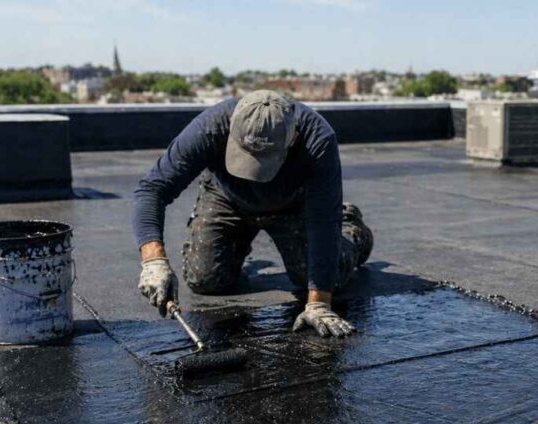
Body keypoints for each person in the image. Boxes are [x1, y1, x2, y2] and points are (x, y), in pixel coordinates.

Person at [132, 90, 373, 338]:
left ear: (292, 139)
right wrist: (153, 261)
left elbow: (323, 221)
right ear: (231, 128)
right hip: (226, 199)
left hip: (292, 205)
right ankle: (236, 244)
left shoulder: (317, 139)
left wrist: (319, 303)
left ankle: (351, 229)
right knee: (205, 281)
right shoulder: (209, 128)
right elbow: (153, 189)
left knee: (323, 278)